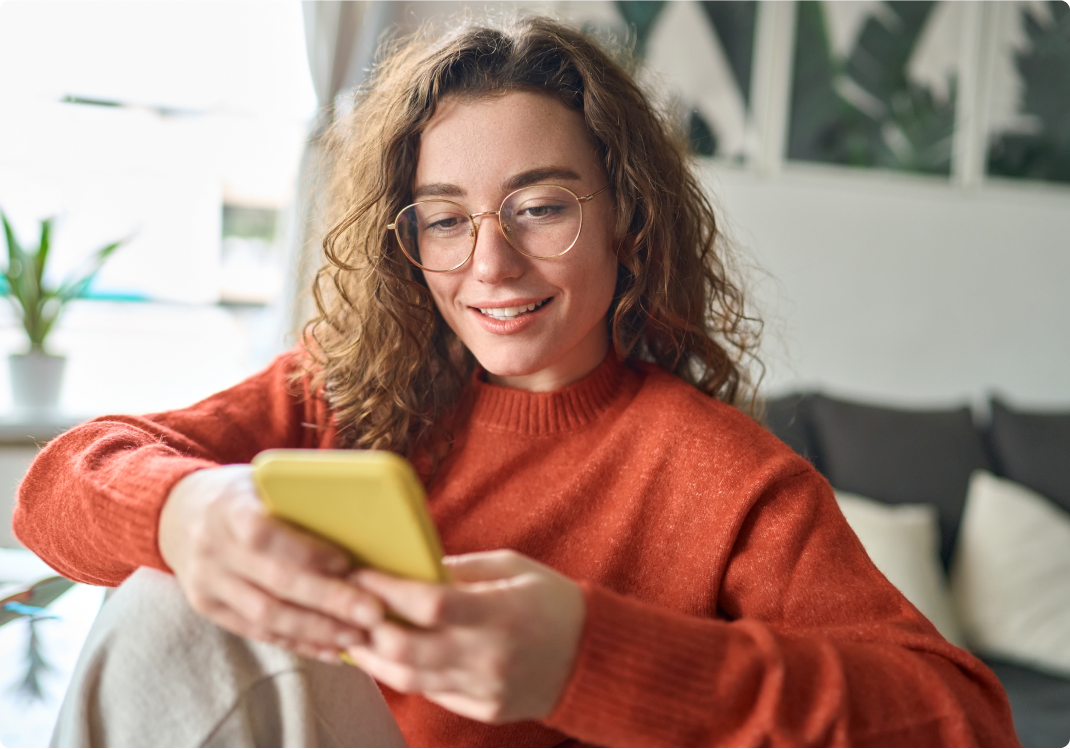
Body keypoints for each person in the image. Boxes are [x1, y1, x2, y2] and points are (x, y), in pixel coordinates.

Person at [15, 15, 1017, 748]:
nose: (488, 266)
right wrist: (187, 511)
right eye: (444, 218)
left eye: (538, 207)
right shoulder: (340, 392)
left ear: (626, 216)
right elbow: (58, 485)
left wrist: (590, 655)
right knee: (165, 593)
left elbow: (961, 720)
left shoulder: (727, 477)